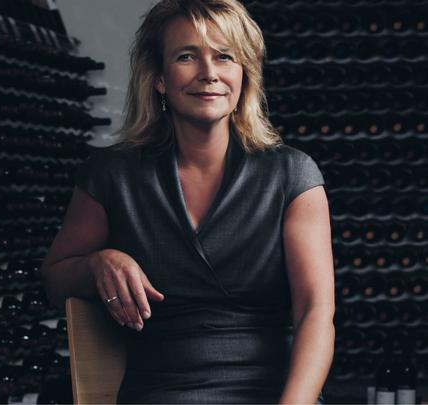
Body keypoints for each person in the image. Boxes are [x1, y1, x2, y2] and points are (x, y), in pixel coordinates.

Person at [41, 0, 335, 403]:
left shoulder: (293, 175)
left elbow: (316, 313)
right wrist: (97, 263)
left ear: (244, 74)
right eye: (186, 56)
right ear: (160, 78)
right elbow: (55, 281)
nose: (209, 73)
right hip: (162, 394)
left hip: (275, 394)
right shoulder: (111, 175)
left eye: (224, 56)